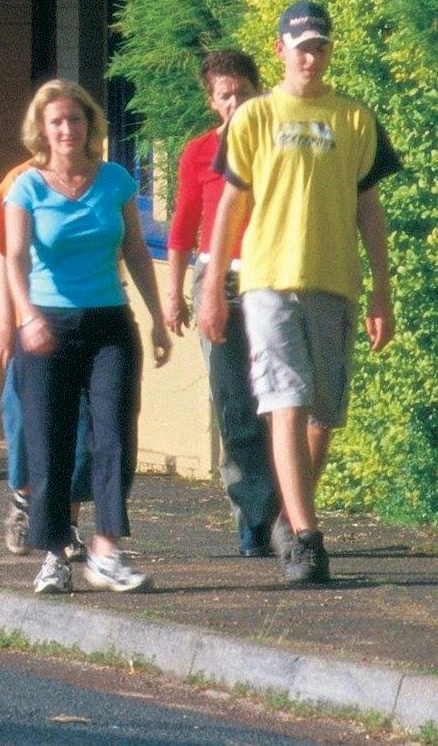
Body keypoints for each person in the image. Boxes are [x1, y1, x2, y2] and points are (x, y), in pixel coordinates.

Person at [200, 1, 400, 587]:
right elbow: (231, 205)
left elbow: (369, 209)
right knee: (284, 399)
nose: (310, 57)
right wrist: (213, 286)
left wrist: (381, 291)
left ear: (329, 52)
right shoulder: (255, 117)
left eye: (320, 47)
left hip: (333, 280)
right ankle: (308, 541)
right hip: (267, 281)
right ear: (280, 49)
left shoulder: (355, 119)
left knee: (325, 411)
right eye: (300, 46)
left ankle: (291, 517)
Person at [3, 80, 172, 594]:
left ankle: (106, 550)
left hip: (109, 324)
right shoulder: (26, 187)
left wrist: (159, 317)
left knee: (115, 434)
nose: (67, 130)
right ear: (42, 130)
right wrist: (26, 315)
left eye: (75, 120)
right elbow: (12, 257)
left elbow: (137, 251)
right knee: (49, 441)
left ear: (90, 125)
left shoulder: (116, 180)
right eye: (56, 121)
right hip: (47, 325)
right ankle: (54, 554)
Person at [162, 47, 283, 557]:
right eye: (224, 96)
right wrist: (173, 293)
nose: (234, 104)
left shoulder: (279, 147)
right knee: (235, 402)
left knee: (282, 400)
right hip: (220, 279)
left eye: (242, 93)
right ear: (212, 102)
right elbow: (184, 225)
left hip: (274, 276)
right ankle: (251, 516)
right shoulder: (197, 153)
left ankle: (286, 515)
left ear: (259, 91)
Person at [0, 158, 92, 555]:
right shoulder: (16, 182)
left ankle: (68, 524)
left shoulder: (96, 178)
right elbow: (3, 257)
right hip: (30, 324)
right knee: (22, 419)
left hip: (83, 320)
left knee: (81, 425)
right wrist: (5, 323)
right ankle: (23, 501)